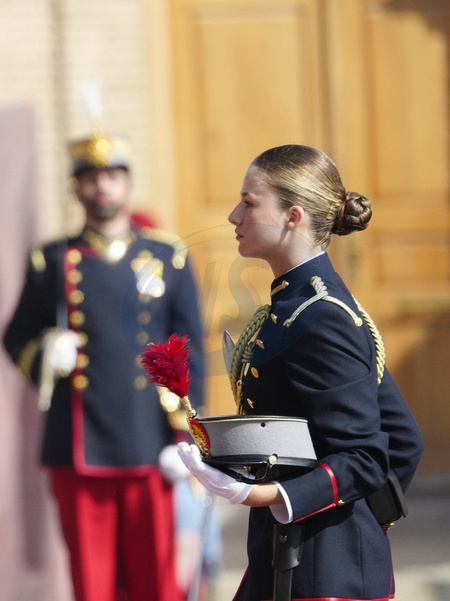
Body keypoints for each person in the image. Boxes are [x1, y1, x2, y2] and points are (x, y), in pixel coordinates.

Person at [178, 144, 425, 601]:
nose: (233, 216)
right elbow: (403, 437)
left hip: (323, 571)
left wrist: (263, 496)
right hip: (291, 554)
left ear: (293, 217)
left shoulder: (321, 314)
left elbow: (366, 456)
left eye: (249, 203)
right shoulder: (296, 305)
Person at [2, 130, 205, 601]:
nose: (102, 186)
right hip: (80, 443)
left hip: (150, 437)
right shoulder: (52, 259)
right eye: (91, 177)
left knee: (156, 582)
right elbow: (16, 336)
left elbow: (187, 350)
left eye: (113, 175)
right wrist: (47, 355)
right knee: (92, 584)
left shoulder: (167, 256)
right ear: (75, 188)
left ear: (128, 183)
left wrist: (185, 438)